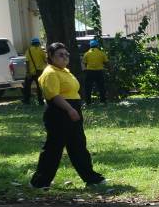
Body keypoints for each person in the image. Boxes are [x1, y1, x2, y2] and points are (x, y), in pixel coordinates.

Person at [30, 42, 106, 189]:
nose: (65, 58)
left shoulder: (64, 71)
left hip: (72, 109)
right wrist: (70, 109)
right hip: (59, 112)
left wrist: (74, 109)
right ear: (51, 56)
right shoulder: (50, 73)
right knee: (54, 148)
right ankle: (39, 182)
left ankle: (91, 178)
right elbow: (54, 96)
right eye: (60, 55)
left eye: (66, 55)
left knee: (78, 145)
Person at [81, 39, 108, 104]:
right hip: (99, 72)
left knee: (88, 87)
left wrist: (85, 70)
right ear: (97, 45)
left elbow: (84, 63)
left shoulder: (87, 54)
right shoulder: (102, 53)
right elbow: (106, 62)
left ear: (90, 46)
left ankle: (88, 102)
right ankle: (103, 101)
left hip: (90, 72)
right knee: (101, 87)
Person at [22, 37, 47, 105]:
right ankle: (40, 101)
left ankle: (26, 100)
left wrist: (28, 72)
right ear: (38, 43)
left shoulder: (28, 50)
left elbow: (27, 62)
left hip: (31, 72)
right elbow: (45, 61)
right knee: (39, 87)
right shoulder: (41, 50)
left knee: (27, 87)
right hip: (40, 72)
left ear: (32, 43)